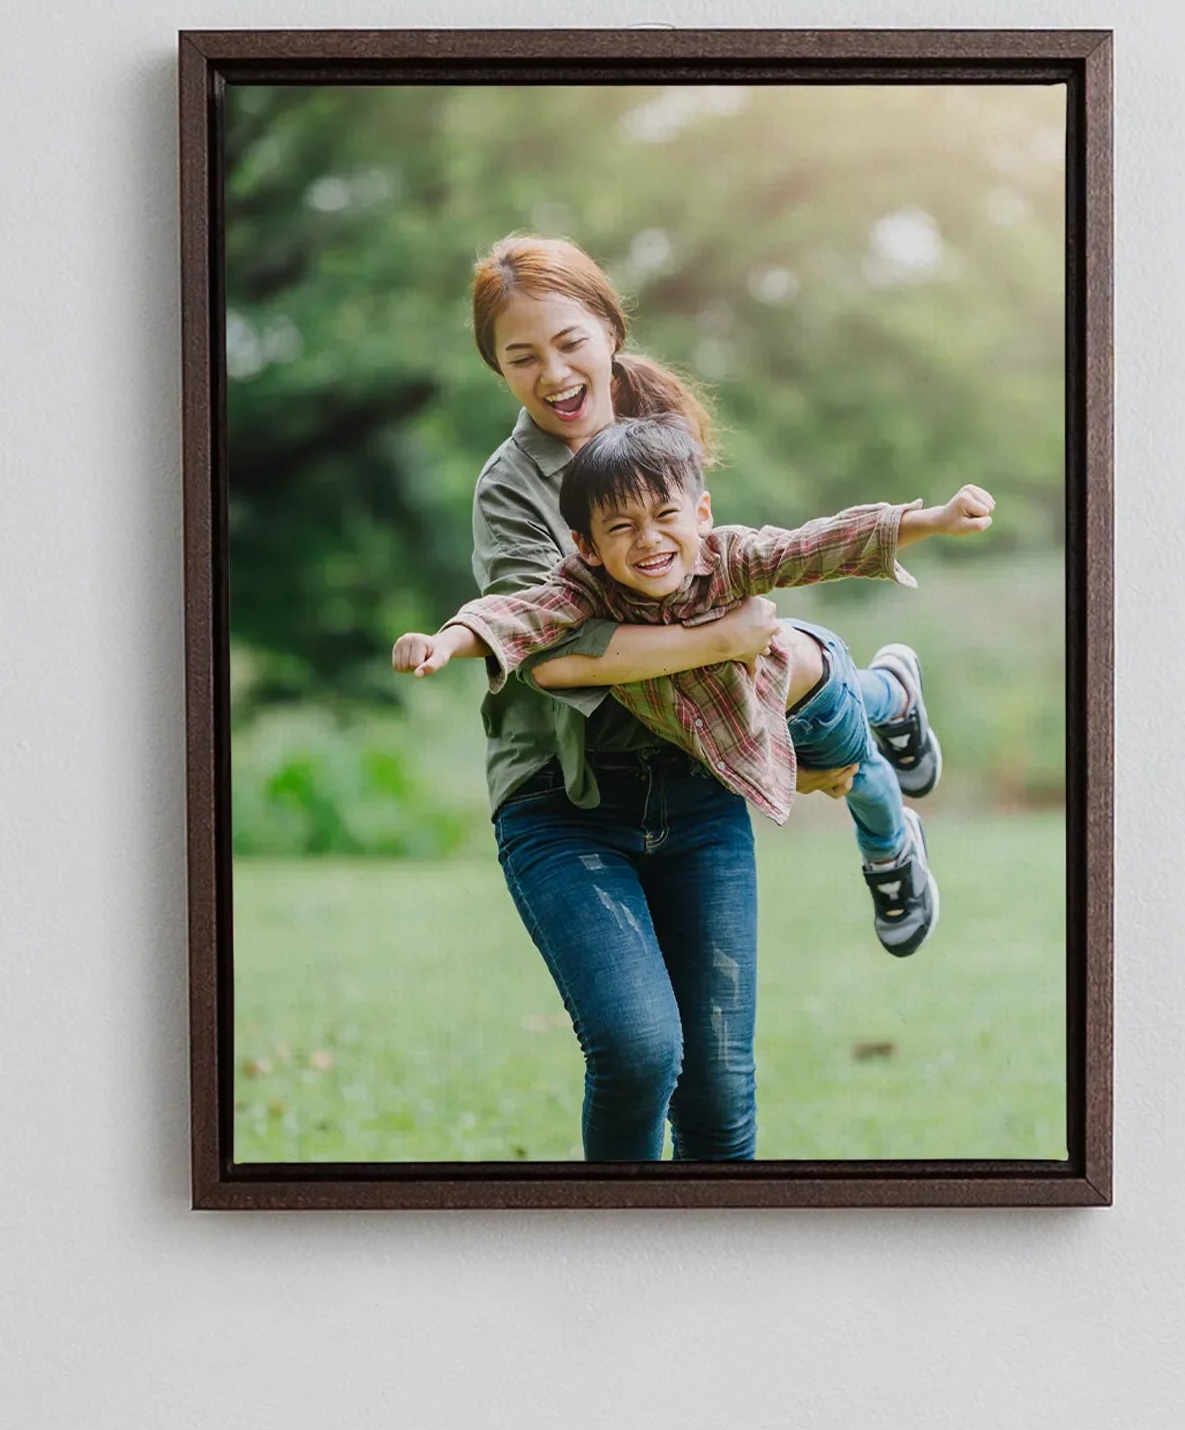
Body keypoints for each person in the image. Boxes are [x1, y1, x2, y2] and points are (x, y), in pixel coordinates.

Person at [442, 233, 817, 1165]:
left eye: (569, 342)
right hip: (567, 807)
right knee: (640, 1050)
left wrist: (746, 640)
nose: (553, 374)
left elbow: (725, 566)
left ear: (609, 329)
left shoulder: (659, 430)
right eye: (521, 358)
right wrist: (719, 642)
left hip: (695, 792)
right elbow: (560, 646)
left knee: (721, 1090)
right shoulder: (508, 491)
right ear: (497, 369)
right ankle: (607, 1246)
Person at [394, 418, 994, 954]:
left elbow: (817, 544)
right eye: (622, 527)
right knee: (865, 710)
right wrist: (444, 641)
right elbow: (516, 615)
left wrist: (932, 520)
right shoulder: (583, 591)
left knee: (859, 774)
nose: (649, 540)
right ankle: (895, 689)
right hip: (753, 712)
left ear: (701, 513)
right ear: (587, 545)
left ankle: (892, 849)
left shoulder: (729, 557)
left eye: (665, 516)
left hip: (805, 696)